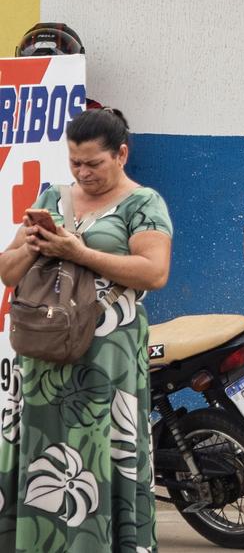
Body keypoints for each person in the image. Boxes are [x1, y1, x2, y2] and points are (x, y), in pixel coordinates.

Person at [0, 107, 173, 552]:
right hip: (44, 354)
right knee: (45, 449)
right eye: (75, 162)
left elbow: (154, 272)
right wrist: (35, 246)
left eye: (93, 163)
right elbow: (7, 270)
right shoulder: (50, 198)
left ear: (121, 154)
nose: (83, 172)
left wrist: (77, 252)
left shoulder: (143, 203)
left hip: (106, 358)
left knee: (99, 450)